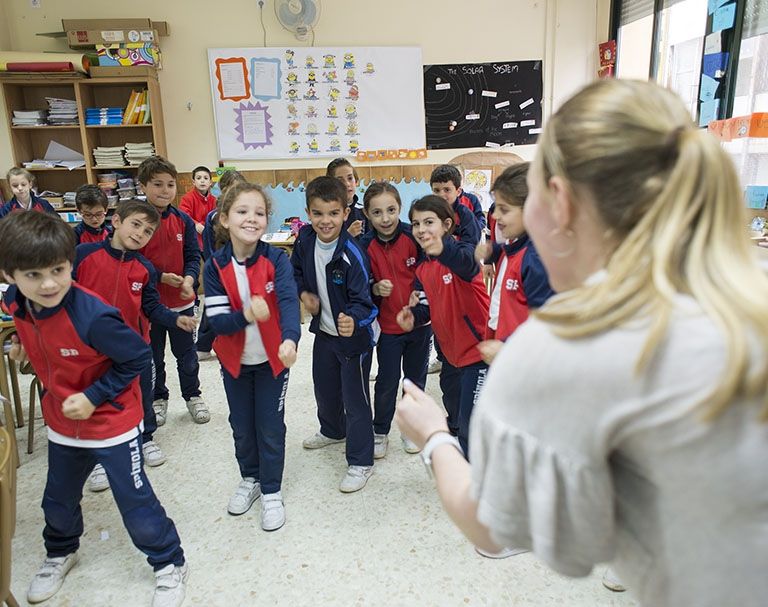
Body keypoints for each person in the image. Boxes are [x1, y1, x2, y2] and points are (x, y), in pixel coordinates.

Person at [396, 79, 768, 607]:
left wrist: (434, 434)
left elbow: (489, 523)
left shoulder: (568, 347)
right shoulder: (748, 292)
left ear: (560, 204)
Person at [0, 211, 188, 607]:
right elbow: (30, 328)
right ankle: (61, 551)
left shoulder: (94, 316)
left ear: (71, 263)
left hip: (112, 420)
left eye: (58, 269)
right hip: (62, 421)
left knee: (134, 501)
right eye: (33, 275)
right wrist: (21, 344)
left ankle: (169, 562)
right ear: (9, 275)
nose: (49, 283)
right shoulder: (16, 301)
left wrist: (93, 396)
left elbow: (137, 358)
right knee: (57, 497)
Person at [73, 199, 197, 492]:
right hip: (92, 350)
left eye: (148, 231)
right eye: (136, 225)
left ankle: (146, 439)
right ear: (115, 221)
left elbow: (151, 305)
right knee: (99, 402)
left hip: (133, 348)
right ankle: (102, 458)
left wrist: (174, 318)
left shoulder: (144, 268)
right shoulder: (83, 255)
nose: (141, 233)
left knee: (141, 395)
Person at [204, 181, 300, 530]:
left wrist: (290, 339)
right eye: (242, 211)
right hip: (235, 365)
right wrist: (246, 314)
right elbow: (217, 322)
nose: (252, 219)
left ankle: (271, 489)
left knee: (270, 426)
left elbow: (289, 302)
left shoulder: (276, 258)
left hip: (273, 362)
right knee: (242, 427)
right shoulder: (215, 267)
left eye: (259, 213)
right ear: (224, 219)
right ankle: (251, 478)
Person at [291, 176, 379, 493]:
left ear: (345, 213)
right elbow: (296, 272)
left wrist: (353, 320)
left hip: (353, 341)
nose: (325, 221)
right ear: (308, 213)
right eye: (317, 213)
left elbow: (368, 305)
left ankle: (361, 461)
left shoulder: (352, 254)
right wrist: (303, 294)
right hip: (325, 334)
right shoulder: (303, 240)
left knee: (355, 401)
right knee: (325, 389)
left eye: (332, 213)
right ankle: (331, 430)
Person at [396, 195, 489, 456]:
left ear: (446, 225)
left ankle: (473, 479)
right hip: (451, 356)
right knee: (455, 412)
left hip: (477, 354)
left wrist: (442, 248)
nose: (421, 229)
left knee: (473, 420)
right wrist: (413, 316)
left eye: (429, 222)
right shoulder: (423, 270)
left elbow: (467, 264)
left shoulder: (460, 255)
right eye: (415, 224)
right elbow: (425, 306)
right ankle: (464, 457)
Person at [137, 156, 208, 426]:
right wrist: (159, 277)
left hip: (181, 304)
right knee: (155, 358)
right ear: (143, 186)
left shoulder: (183, 221)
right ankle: (158, 398)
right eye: (157, 184)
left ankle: (192, 395)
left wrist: (190, 278)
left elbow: (192, 255)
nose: (165, 190)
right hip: (149, 306)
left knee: (187, 356)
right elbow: (132, 259)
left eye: (169, 184)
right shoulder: (138, 220)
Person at [359, 182, 429, 457]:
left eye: (391, 210)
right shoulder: (364, 246)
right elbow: (359, 286)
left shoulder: (415, 237)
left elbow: (430, 275)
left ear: (400, 208)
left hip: (420, 326)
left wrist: (419, 300)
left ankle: (411, 428)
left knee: (415, 380)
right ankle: (380, 431)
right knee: (387, 381)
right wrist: (374, 288)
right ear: (366, 214)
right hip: (387, 328)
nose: (385, 218)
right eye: (377, 212)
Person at [474, 163, 554, 364]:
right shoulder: (516, 245)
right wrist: (493, 252)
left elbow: (546, 326)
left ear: (533, 210)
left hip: (523, 363)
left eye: (504, 210)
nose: (494, 216)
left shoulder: (536, 259)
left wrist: (506, 346)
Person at [198, 170, 248, 361]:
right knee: (215, 305)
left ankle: (238, 343)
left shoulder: (245, 213)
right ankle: (203, 344)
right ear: (222, 190)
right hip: (220, 268)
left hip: (242, 268)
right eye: (230, 190)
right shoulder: (213, 216)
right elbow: (209, 246)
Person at [430, 164, 486, 232]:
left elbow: (481, 220)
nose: (441, 195)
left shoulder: (471, 199)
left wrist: (470, 229)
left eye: (447, 190)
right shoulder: (430, 207)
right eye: (436, 190)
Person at [326, 157, 366, 237]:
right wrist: (348, 235)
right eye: (340, 180)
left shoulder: (364, 211)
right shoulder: (326, 215)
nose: (347, 184)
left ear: (356, 181)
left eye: (350, 178)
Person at [179, 165, 216, 252]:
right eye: (199, 178)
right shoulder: (187, 198)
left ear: (210, 182)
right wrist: (195, 224)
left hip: (208, 238)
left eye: (206, 178)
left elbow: (214, 217)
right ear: (193, 182)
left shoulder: (214, 200)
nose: (202, 181)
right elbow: (184, 216)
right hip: (192, 238)